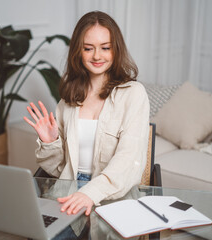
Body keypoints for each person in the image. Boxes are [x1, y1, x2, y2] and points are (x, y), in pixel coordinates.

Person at [24, 10, 149, 237]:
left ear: (116, 49)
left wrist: (90, 193)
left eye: (105, 47)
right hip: (68, 190)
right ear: (78, 51)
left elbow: (128, 159)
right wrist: (50, 141)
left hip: (113, 195)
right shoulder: (68, 98)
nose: (97, 56)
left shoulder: (133, 94)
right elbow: (59, 169)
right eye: (88, 48)